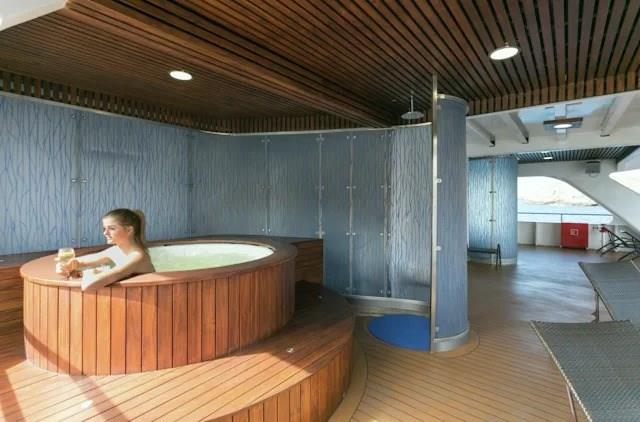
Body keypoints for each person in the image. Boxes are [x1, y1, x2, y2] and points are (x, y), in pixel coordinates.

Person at [57, 208, 155, 291]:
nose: (105, 233)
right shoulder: (116, 251)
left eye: (112, 228)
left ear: (129, 230)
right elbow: (79, 262)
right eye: (104, 228)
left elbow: (88, 285)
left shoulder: (136, 256)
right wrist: (66, 267)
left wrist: (88, 272)